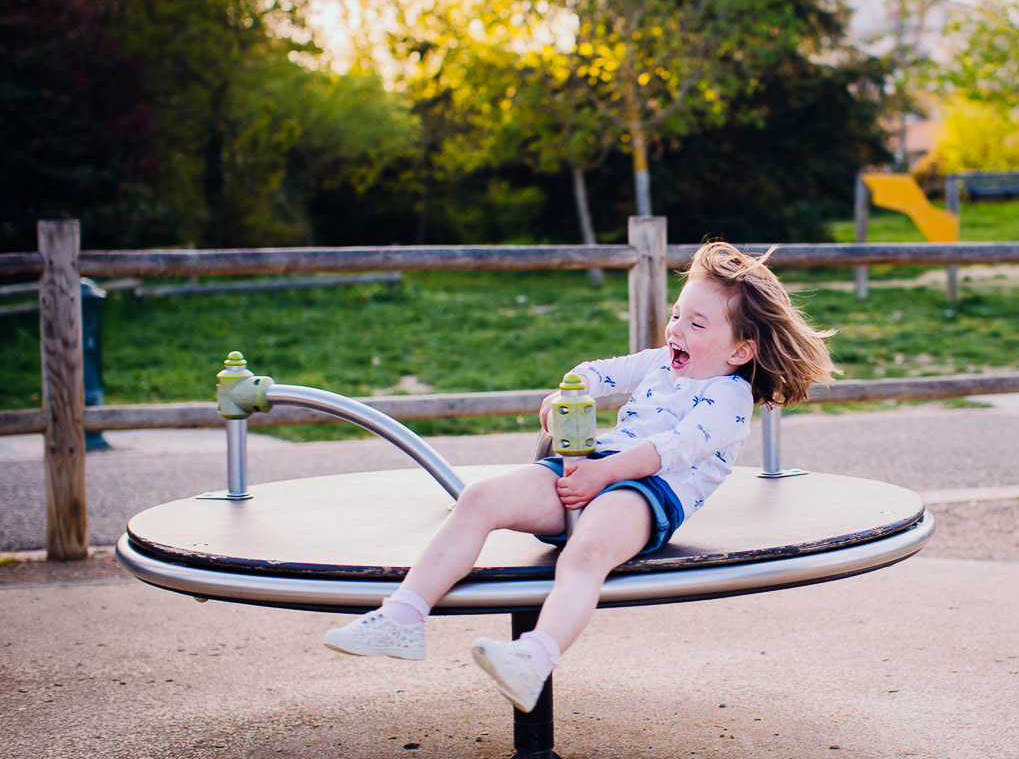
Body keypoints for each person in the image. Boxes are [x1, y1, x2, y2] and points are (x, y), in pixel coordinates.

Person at [321, 241, 836, 712]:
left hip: (648, 493)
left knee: (586, 550)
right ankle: (403, 616)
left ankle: (535, 658)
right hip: (593, 470)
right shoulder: (662, 362)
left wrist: (602, 474)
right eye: (677, 315)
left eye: (697, 325)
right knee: (479, 499)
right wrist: (570, 392)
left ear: (740, 350)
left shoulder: (730, 398)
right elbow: (601, 371)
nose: (677, 329)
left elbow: (670, 450)